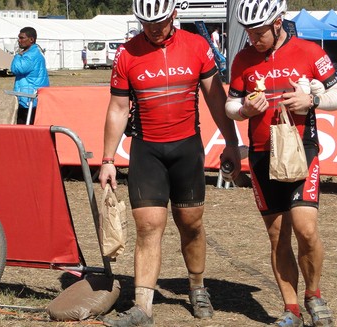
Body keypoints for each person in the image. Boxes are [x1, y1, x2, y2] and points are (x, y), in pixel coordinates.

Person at [98, 0, 241, 326]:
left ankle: (197, 285)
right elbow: (118, 109)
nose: (153, 28)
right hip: (147, 152)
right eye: (146, 22)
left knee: (190, 224)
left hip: (186, 151)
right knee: (148, 227)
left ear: (173, 14)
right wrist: (108, 158)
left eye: (159, 21)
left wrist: (231, 143)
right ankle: (143, 307)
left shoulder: (196, 45)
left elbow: (216, 98)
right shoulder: (127, 54)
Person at [225, 1, 337, 326]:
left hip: (301, 149)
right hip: (262, 153)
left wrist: (312, 100)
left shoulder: (308, 52)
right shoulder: (243, 59)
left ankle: (314, 294)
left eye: (259, 32)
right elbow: (230, 104)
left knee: (306, 229)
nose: (253, 38)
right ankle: (290, 308)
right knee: (278, 235)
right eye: (249, 32)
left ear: (278, 22)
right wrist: (245, 111)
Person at [10, 26, 50, 125]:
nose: (19, 41)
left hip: (29, 100)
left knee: (26, 128)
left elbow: (16, 69)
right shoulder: (34, 53)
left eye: (22, 38)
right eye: (18, 38)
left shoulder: (31, 56)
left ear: (31, 39)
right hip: (29, 98)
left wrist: (18, 55)